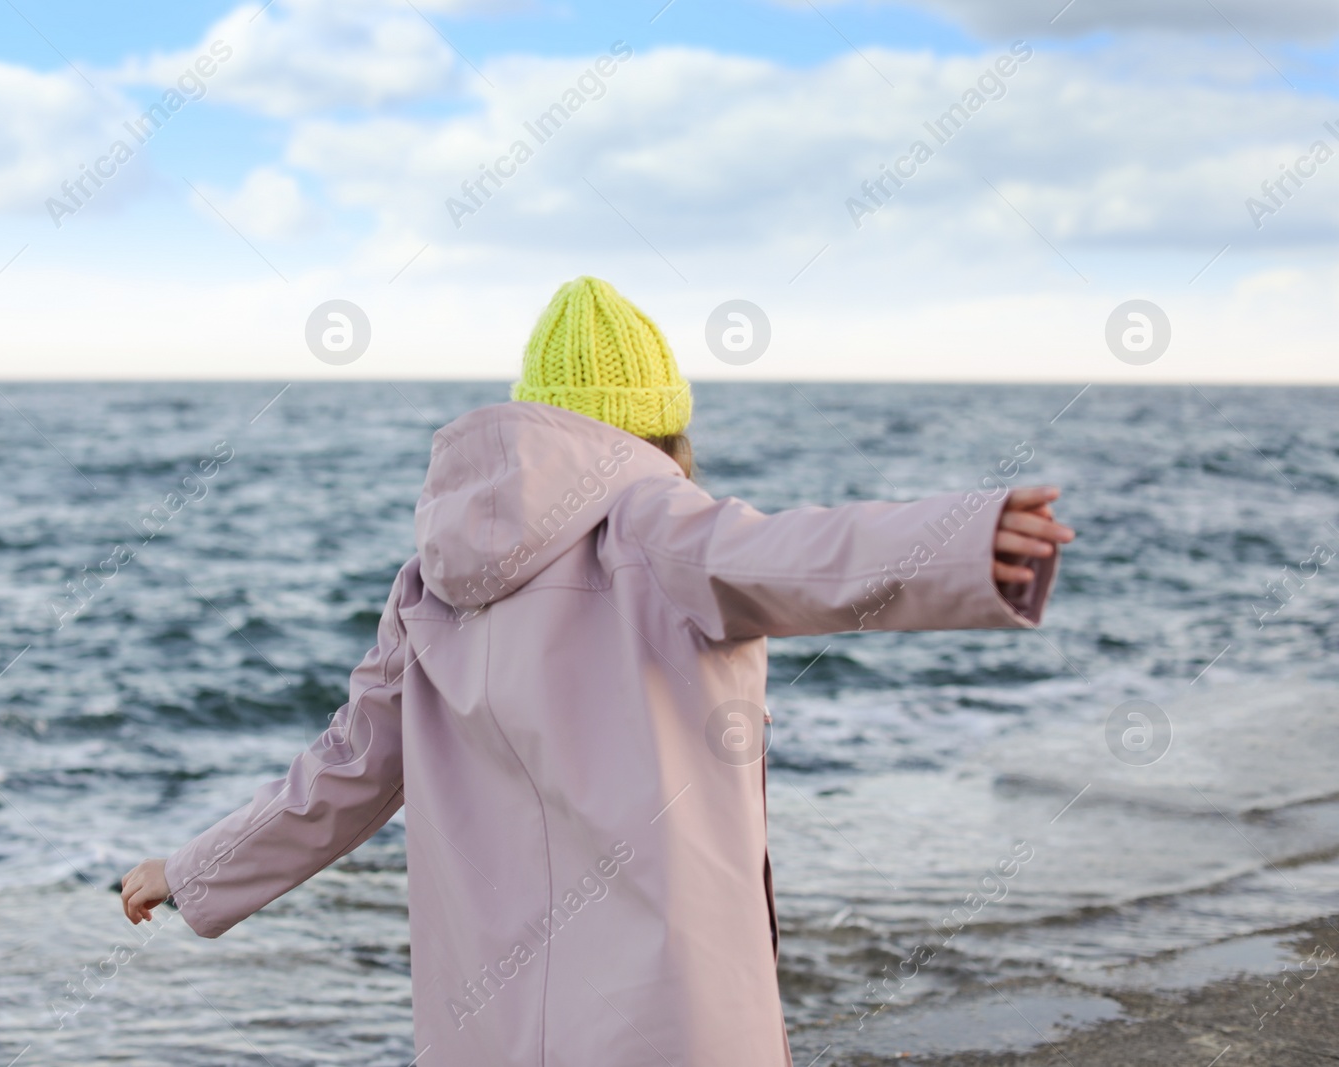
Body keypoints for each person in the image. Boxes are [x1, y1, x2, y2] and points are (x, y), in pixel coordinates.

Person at [121, 276, 1073, 1066]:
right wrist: (965, 543)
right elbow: (799, 557)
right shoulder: (660, 522)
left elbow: (347, 767)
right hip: (665, 1009)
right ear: (660, 429)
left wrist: (193, 868)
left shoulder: (429, 581)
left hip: (491, 1017)